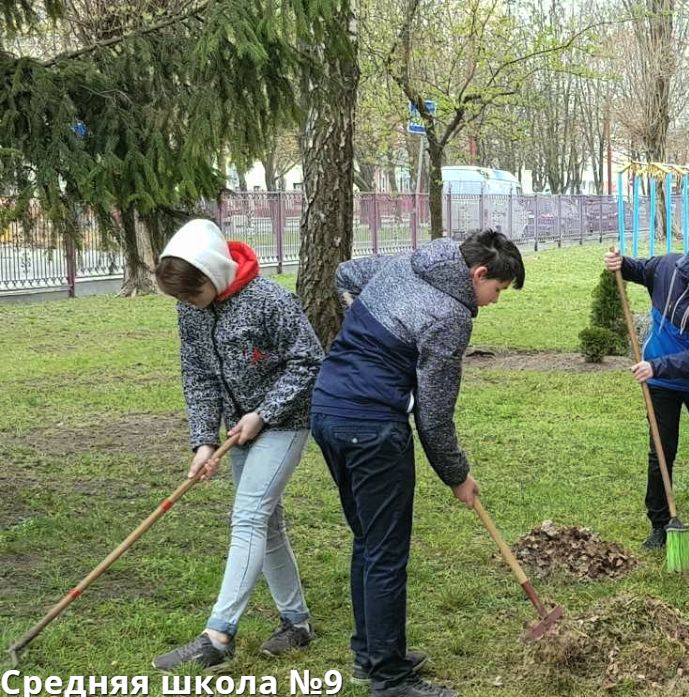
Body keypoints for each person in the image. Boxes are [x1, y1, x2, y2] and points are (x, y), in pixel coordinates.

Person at [310, 230, 525, 697]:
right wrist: (457, 475)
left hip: (327, 410)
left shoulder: (408, 262)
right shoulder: (450, 315)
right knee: (386, 554)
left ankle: (370, 655)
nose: (494, 301)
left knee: (368, 541)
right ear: (478, 274)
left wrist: (369, 339)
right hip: (371, 428)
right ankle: (390, 679)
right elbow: (434, 414)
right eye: (498, 289)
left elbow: (345, 275)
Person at [152, 219, 324, 672]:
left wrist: (263, 413)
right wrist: (203, 441)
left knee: (247, 516)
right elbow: (198, 375)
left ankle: (218, 635)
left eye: (193, 294)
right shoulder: (192, 310)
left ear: (213, 273)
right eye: (181, 299)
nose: (188, 304)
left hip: (284, 422)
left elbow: (309, 362)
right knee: (267, 523)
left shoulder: (270, 300)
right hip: (236, 431)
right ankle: (297, 623)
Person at [604, 237, 689, 558]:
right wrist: (621, 264)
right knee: (661, 452)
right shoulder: (667, 267)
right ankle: (659, 524)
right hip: (659, 380)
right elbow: (639, 270)